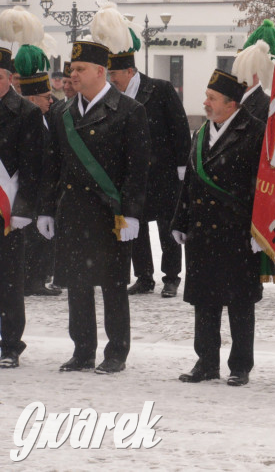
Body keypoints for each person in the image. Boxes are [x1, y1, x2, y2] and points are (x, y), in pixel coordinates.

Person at [41, 36, 151, 375]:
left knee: (113, 284)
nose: (72, 75)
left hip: (110, 213)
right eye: (72, 69)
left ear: (100, 71)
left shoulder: (130, 111)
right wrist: (46, 208)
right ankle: (83, 350)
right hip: (73, 211)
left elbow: (137, 169)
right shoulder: (62, 112)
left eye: (80, 69)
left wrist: (131, 213)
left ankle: (116, 350)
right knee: (77, 284)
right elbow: (53, 166)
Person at [172, 70, 264, 386]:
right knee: (204, 302)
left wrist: (260, 230)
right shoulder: (200, 134)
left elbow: (264, 187)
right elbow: (191, 183)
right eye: (207, 97)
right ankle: (206, 362)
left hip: (237, 232)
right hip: (202, 232)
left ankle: (240, 366)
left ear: (232, 103)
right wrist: (180, 221)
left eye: (212, 98)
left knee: (240, 303)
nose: (205, 103)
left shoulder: (255, 133)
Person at [108, 41, 191, 298]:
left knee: (167, 228)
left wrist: (181, 166)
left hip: (164, 173)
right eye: (109, 75)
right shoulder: (113, 97)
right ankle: (144, 277)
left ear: (130, 71)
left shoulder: (160, 89)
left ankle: (171, 277)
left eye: (115, 75)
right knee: (136, 227)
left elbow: (179, 127)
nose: (112, 80)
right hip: (134, 175)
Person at [0, 42, 46, 368]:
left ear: (10, 78)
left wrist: (24, 209)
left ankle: (11, 343)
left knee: (9, 279)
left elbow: (34, 168)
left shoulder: (26, 113)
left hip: (9, 211)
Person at [14, 44, 61, 298]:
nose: (51, 100)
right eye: (46, 96)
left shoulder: (47, 116)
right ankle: (30, 281)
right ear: (32, 99)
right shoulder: (27, 118)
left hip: (45, 188)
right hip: (29, 188)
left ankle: (38, 278)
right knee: (31, 238)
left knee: (42, 237)